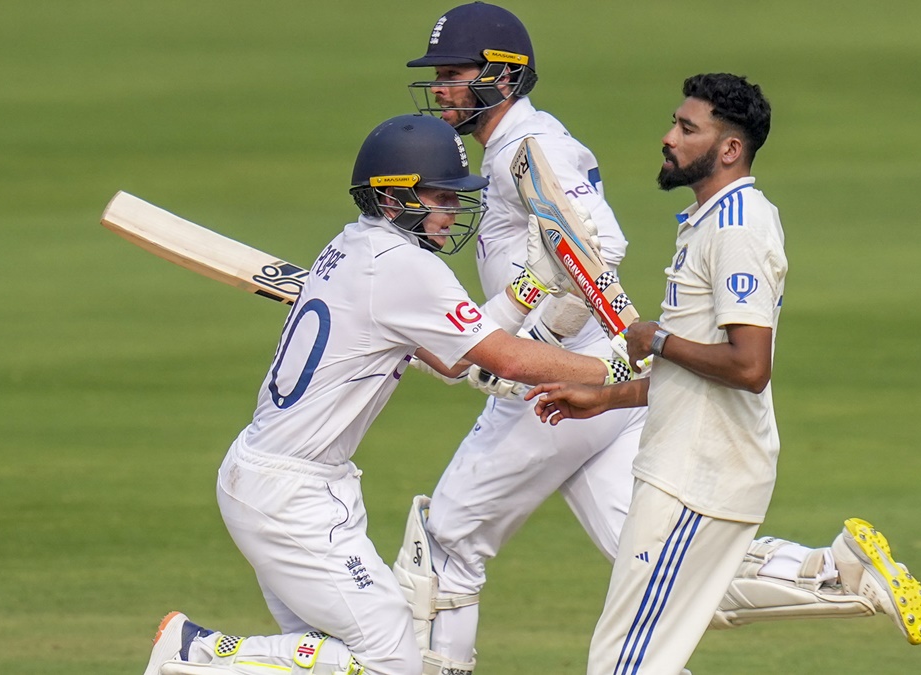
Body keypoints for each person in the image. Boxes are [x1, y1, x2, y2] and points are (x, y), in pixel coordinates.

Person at [395, 5, 921, 675]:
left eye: (453, 74)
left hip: (560, 374)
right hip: (597, 383)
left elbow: (594, 246)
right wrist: (512, 337)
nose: (441, 88)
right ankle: (833, 573)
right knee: (660, 571)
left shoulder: (529, 148)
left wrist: (525, 343)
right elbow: (561, 259)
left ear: (502, 77)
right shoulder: (516, 148)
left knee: (446, 541)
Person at [140, 113, 634, 675]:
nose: (453, 210)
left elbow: (451, 360)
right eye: (441, 197)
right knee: (392, 663)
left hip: (282, 480)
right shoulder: (403, 266)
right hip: (290, 497)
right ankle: (195, 653)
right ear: (394, 199)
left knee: (334, 660)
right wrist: (614, 368)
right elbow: (506, 358)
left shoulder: (354, 246)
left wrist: (531, 286)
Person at [529, 74, 921, 674]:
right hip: (694, 465)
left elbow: (748, 366)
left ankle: (843, 572)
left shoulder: (737, 229)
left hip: (696, 475)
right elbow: (697, 375)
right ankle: (841, 572)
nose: (668, 137)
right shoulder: (712, 220)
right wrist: (609, 397)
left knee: (625, 664)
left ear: (729, 149)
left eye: (686, 128)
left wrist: (655, 339)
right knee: (658, 648)